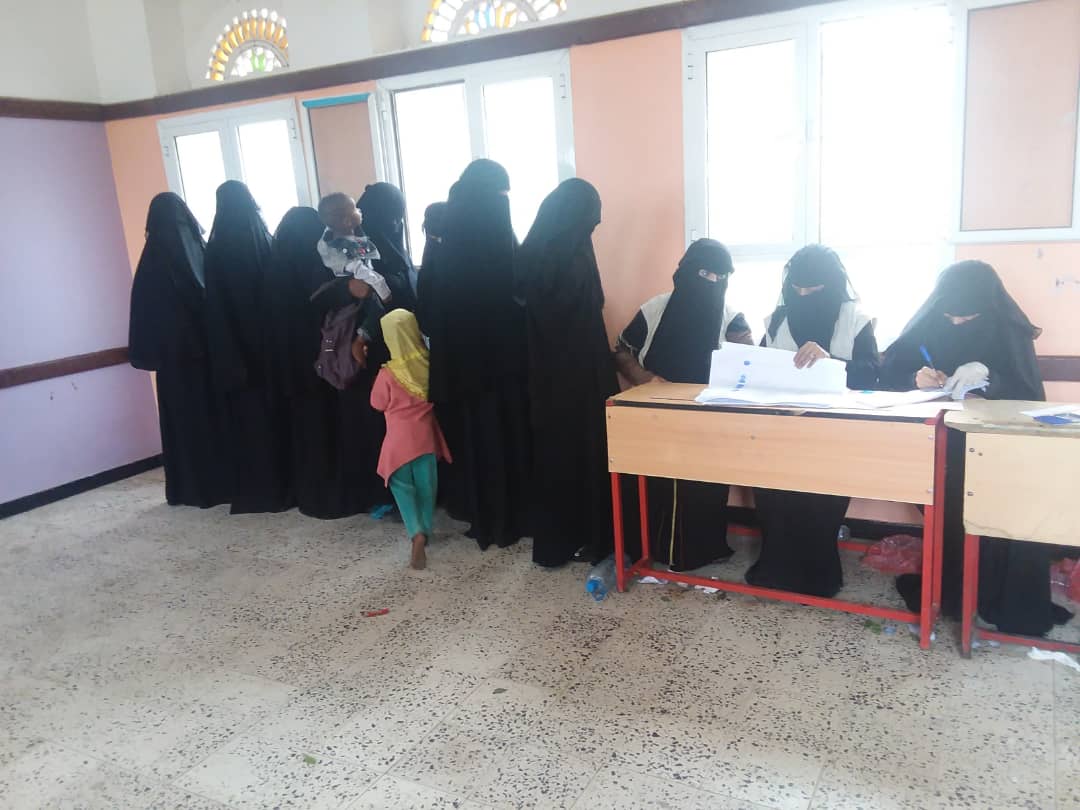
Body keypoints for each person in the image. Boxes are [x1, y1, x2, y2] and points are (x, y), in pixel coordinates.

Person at [880, 260, 1071, 636]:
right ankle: (954, 594)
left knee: (1004, 514)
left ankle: (998, 596)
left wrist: (991, 376)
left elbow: (1029, 395)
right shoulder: (931, 322)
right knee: (951, 512)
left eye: (966, 318)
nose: (955, 323)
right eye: (949, 317)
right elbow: (888, 374)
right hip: (944, 441)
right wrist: (913, 377)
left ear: (987, 310)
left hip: (1000, 447)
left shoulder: (1009, 331)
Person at [747, 244, 880, 597]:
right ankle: (774, 570)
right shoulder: (777, 319)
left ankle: (818, 576)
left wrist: (830, 361)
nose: (804, 296)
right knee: (774, 499)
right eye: (798, 289)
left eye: (814, 289)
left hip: (833, 430)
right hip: (780, 425)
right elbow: (759, 365)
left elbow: (872, 373)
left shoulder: (856, 318)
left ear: (831, 286)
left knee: (820, 503)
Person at [613, 239, 753, 571]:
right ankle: (648, 548)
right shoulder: (655, 309)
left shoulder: (732, 318)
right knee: (653, 485)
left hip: (708, 420)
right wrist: (646, 379)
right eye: (704, 273)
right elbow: (621, 351)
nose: (712, 282)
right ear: (687, 271)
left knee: (701, 490)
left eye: (721, 276)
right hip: (656, 414)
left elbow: (748, 365)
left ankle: (697, 552)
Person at [428, 159, 532, 549]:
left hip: (465, 373)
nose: (504, 204)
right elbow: (517, 297)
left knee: (477, 441)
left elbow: (433, 312)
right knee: (505, 438)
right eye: (501, 196)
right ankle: (510, 515)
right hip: (501, 370)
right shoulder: (498, 244)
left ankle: (484, 514)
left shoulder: (446, 246)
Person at [517, 179, 620, 567]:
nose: (590, 232)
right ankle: (581, 537)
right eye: (588, 224)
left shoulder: (537, 254)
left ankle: (569, 540)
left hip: (555, 376)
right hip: (573, 377)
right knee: (577, 455)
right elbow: (578, 317)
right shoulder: (565, 260)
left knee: (564, 455)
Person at [263, 206, 389, 519]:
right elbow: (319, 305)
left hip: (297, 365)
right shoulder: (315, 269)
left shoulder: (276, 268)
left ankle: (316, 493)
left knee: (310, 432)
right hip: (323, 363)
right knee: (327, 430)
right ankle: (336, 495)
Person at [128, 192, 229, 508]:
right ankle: (217, 484)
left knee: (184, 424)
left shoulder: (151, 263)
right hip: (200, 357)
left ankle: (189, 488)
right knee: (206, 420)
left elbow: (144, 317)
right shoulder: (198, 250)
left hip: (174, 363)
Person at [204, 180, 292, 514]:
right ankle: (284, 485)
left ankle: (257, 490)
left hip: (236, 352)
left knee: (247, 425)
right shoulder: (264, 241)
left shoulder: (217, 249)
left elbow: (216, 308)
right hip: (269, 346)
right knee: (274, 419)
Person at [371, 309, 452, 570]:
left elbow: (377, 403)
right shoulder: (429, 364)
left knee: (401, 485)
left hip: (398, 443)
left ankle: (415, 531)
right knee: (427, 485)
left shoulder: (388, 374)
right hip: (425, 438)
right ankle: (425, 531)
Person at [316, 192, 390, 303]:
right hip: (356, 299)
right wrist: (385, 293)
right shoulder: (341, 250)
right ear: (347, 221)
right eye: (355, 209)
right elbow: (364, 272)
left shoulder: (342, 232)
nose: (359, 210)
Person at [358, 183, 417, 312]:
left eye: (399, 218)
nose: (395, 225)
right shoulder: (352, 251)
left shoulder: (397, 250)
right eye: (390, 218)